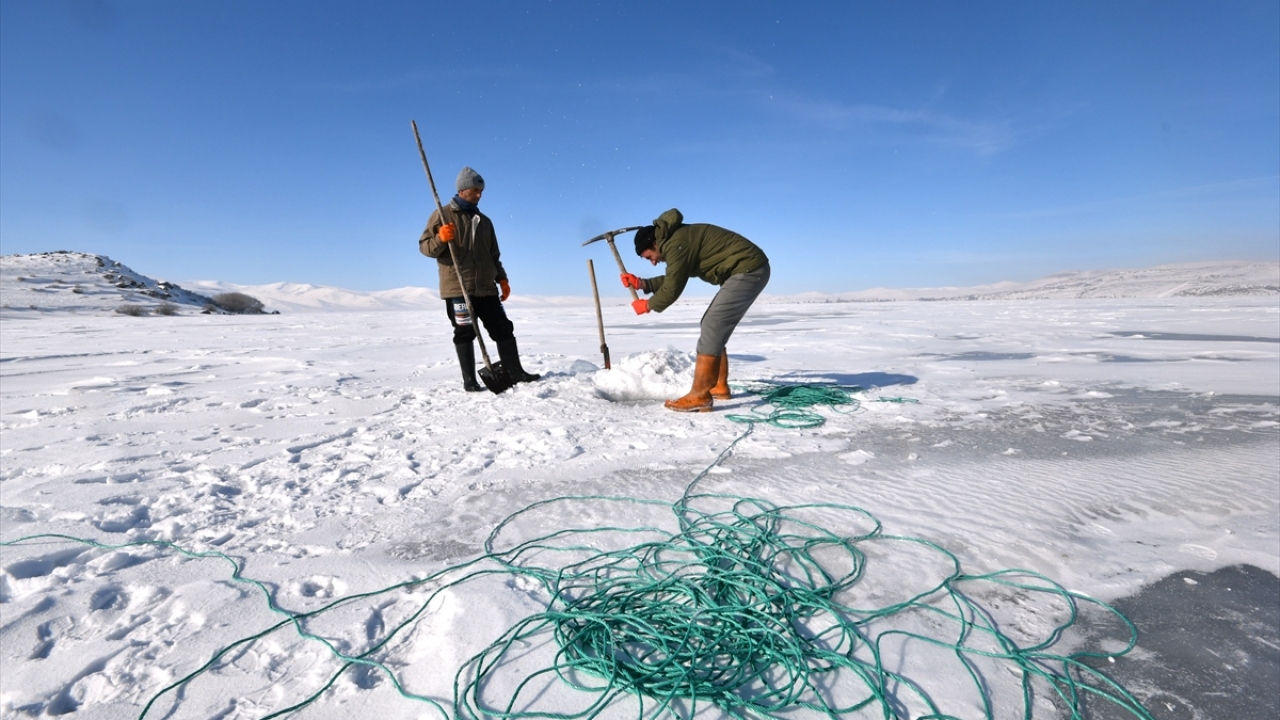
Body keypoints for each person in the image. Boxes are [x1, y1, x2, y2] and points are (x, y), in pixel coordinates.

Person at [620, 208, 770, 412]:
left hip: (748, 269)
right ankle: (718, 386)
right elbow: (676, 275)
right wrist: (642, 284)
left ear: (654, 244)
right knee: (712, 324)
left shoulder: (676, 243)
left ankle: (700, 395)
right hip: (748, 269)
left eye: (650, 257)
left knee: (713, 323)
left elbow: (673, 286)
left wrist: (648, 305)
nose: (654, 262)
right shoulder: (675, 239)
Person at [419, 166, 540, 391]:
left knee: (503, 328)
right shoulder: (442, 214)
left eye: (481, 191)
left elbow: (493, 255)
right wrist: (439, 238)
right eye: (475, 190)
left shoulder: (485, 222)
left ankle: (515, 371)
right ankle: (470, 381)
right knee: (465, 332)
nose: (479, 194)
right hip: (458, 288)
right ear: (463, 190)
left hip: (486, 288)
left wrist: (502, 279)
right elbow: (425, 248)